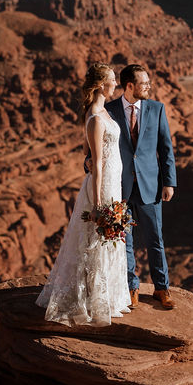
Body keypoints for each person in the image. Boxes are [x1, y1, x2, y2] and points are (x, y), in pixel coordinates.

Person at [36, 63, 132, 324]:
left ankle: (108, 296)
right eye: (112, 80)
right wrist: (99, 202)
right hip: (103, 185)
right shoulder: (95, 117)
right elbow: (97, 161)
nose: (116, 84)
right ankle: (91, 299)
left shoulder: (103, 112)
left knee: (109, 239)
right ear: (102, 85)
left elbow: (88, 155)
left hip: (114, 182)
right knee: (95, 240)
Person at [107, 64, 178, 309]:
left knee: (154, 239)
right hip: (120, 188)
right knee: (125, 241)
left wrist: (169, 182)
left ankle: (162, 288)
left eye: (148, 83)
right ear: (129, 86)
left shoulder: (157, 109)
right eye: (144, 83)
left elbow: (165, 148)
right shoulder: (110, 110)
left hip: (150, 186)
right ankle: (131, 288)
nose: (148, 87)